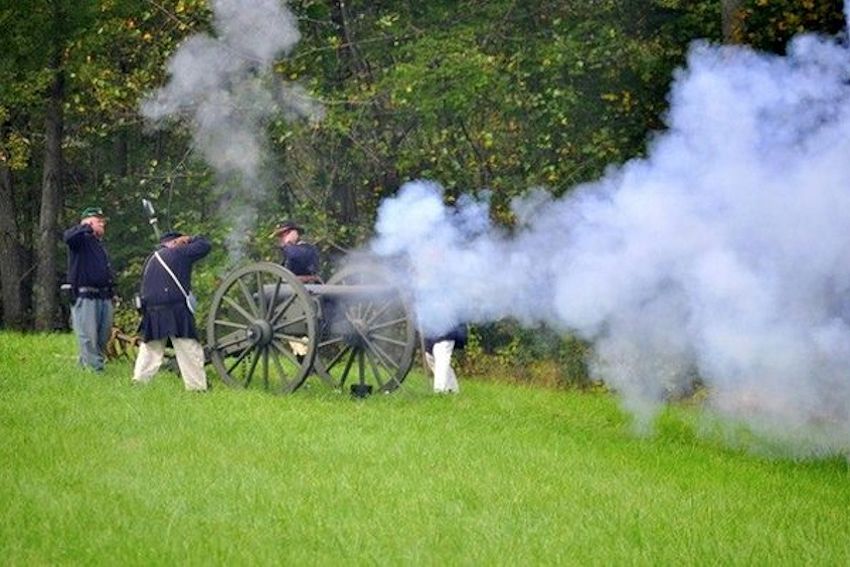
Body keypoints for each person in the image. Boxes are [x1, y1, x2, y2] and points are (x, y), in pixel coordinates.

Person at [132, 231, 211, 391]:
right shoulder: (179, 252)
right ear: (176, 242)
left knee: (151, 350)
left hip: (152, 310)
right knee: (188, 348)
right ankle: (197, 388)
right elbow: (205, 245)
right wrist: (190, 238)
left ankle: (139, 383)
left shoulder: (151, 258)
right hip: (175, 309)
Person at [63, 206, 115, 372]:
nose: (103, 225)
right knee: (88, 336)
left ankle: (84, 366)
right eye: (99, 221)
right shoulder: (80, 240)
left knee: (103, 336)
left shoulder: (99, 245)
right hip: (85, 295)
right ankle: (95, 371)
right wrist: (86, 227)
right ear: (89, 221)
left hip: (103, 295)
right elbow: (68, 237)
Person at [424, 323, 467, 394]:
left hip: (447, 330)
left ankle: (439, 390)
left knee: (441, 356)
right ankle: (452, 389)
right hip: (432, 332)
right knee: (429, 356)